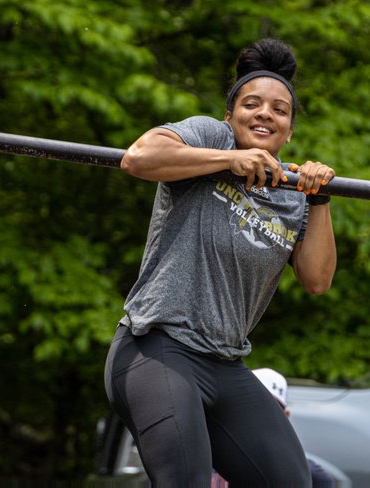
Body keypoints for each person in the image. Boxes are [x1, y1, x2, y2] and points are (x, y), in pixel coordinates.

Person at [105, 38, 337, 487]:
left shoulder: (291, 195)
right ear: (231, 115)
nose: (265, 114)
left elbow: (317, 279)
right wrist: (232, 158)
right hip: (157, 347)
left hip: (224, 363)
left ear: (289, 131)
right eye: (252, 104)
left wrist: (319, 196)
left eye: (279, 110)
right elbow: (137, 158)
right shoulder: (211, 138)